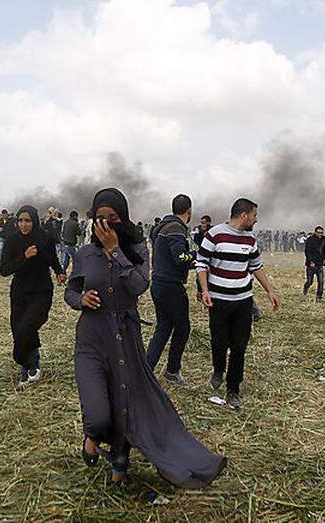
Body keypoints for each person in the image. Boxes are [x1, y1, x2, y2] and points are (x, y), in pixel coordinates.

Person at [65, 188, 225, 489]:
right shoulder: (85, 253)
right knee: (98, 415)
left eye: (113, 218)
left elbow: (139, 285)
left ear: (123, 219)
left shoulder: (137, 250)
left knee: (126, 403)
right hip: (91, 341)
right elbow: (70, 291)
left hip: (126, 339)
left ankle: (120, 465)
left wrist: (115, 251)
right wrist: (80, 299)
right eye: (100, 218)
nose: (106, 224)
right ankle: (92, 436)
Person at [195, 198, 280, 409]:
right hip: (219, 302)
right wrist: (205, 291)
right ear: (244, 215)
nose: (256, 219)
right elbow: (201, 264)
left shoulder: (250, 239)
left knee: (239, 347)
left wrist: (270, 291)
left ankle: (233, 389)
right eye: (254, 215)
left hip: (243, 301)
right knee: (219, 342)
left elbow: (256, 266)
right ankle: (218, 369)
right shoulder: (214, 235)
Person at [0, 205, 66, 385]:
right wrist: (24, 256)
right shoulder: (12, 240)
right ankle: (27, 363)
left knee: (27, 328)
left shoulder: (45, 239)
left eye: (27, 220)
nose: (23, 224)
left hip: (41, 291)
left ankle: (28, 363)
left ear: (34, 221)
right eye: (20, 220)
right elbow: (4, 270)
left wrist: (60, 272)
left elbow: (54, 260)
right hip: (20, 291)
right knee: (18, 328)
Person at [146, 194, 198, 386]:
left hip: (159, 284)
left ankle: (146, 369)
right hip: (171, 286)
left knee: (164, 327)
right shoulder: (176, 229)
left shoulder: (163, 227)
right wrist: (196, 257)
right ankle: (172, 371)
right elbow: (180, 257)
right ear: (189, 210)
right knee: (183, 328)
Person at [302, 225, 325, 302]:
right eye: (318, 233)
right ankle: (305, 288)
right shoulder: (310, 240)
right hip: (311, 265)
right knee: (310, 281)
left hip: (319, 264)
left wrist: (324, 259)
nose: (320, 234)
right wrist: (311, 262)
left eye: (321, 233)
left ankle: (319, 297)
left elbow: (323, 251)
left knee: (321, 282)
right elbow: (307, 252)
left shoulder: (323, 240)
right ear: (315, 232)